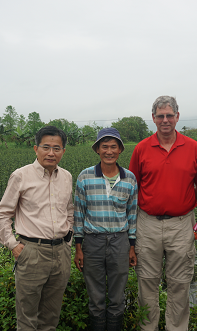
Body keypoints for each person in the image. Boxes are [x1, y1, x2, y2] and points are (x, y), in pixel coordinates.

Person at [129, 95, 197, 331]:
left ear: (177, 117)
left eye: (169, 115)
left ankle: (177, 327)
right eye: (160, 116)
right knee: (147, 281)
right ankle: (148, 327)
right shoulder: (142, 148)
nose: (165, 120)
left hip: (181, 224)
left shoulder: (193, 147)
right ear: (153, 118)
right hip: (148, 223)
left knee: (180, 281)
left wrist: (184, 202)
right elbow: (134, 186)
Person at [0, 125, 74, 331]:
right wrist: (13, 245)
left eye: (57, 148)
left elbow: (70, 211)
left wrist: (70, 239)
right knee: (27, 317)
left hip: (61, 253)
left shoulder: (66, 176)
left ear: (63, 151)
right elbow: (2, 214)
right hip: (32, 252)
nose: (51, 153)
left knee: (51, 316)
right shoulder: (21, 176)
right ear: (35, 149)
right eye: (45, 147)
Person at [73, 128, 138, 331]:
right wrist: (78, 247)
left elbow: (132, 215)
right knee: (96, 296)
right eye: (104, 147)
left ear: (120, 150)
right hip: (93, 241)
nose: (109, 151)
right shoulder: (85, 177)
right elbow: (79, 214)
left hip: (120, 241)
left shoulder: (130, 179)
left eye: (113, 147)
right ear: (97, 150)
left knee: (117, 296)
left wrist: (132, 246)